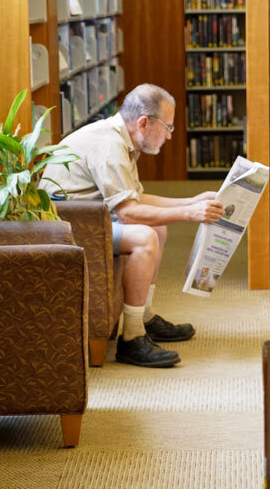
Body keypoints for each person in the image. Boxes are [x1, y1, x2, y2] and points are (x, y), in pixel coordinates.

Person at [41, 84, 224, 368]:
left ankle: (144, 318)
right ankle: (132, 339)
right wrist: (190, 213)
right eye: (168, 127)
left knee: (158, 229)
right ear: (143, 123)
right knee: (145, 237)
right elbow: (128, 214)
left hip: (91, 219)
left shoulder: (124, 139)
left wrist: (191, 200)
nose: (169, 136)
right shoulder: (109, 145)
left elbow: (133, 199)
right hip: (69, 228)